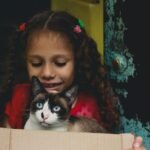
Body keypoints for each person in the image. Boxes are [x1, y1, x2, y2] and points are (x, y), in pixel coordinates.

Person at [0, 10, 144, 149]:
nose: (47, 73)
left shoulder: (88, 107)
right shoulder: (20, 96)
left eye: (60, 63)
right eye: (36, 63)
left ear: (77, 60)